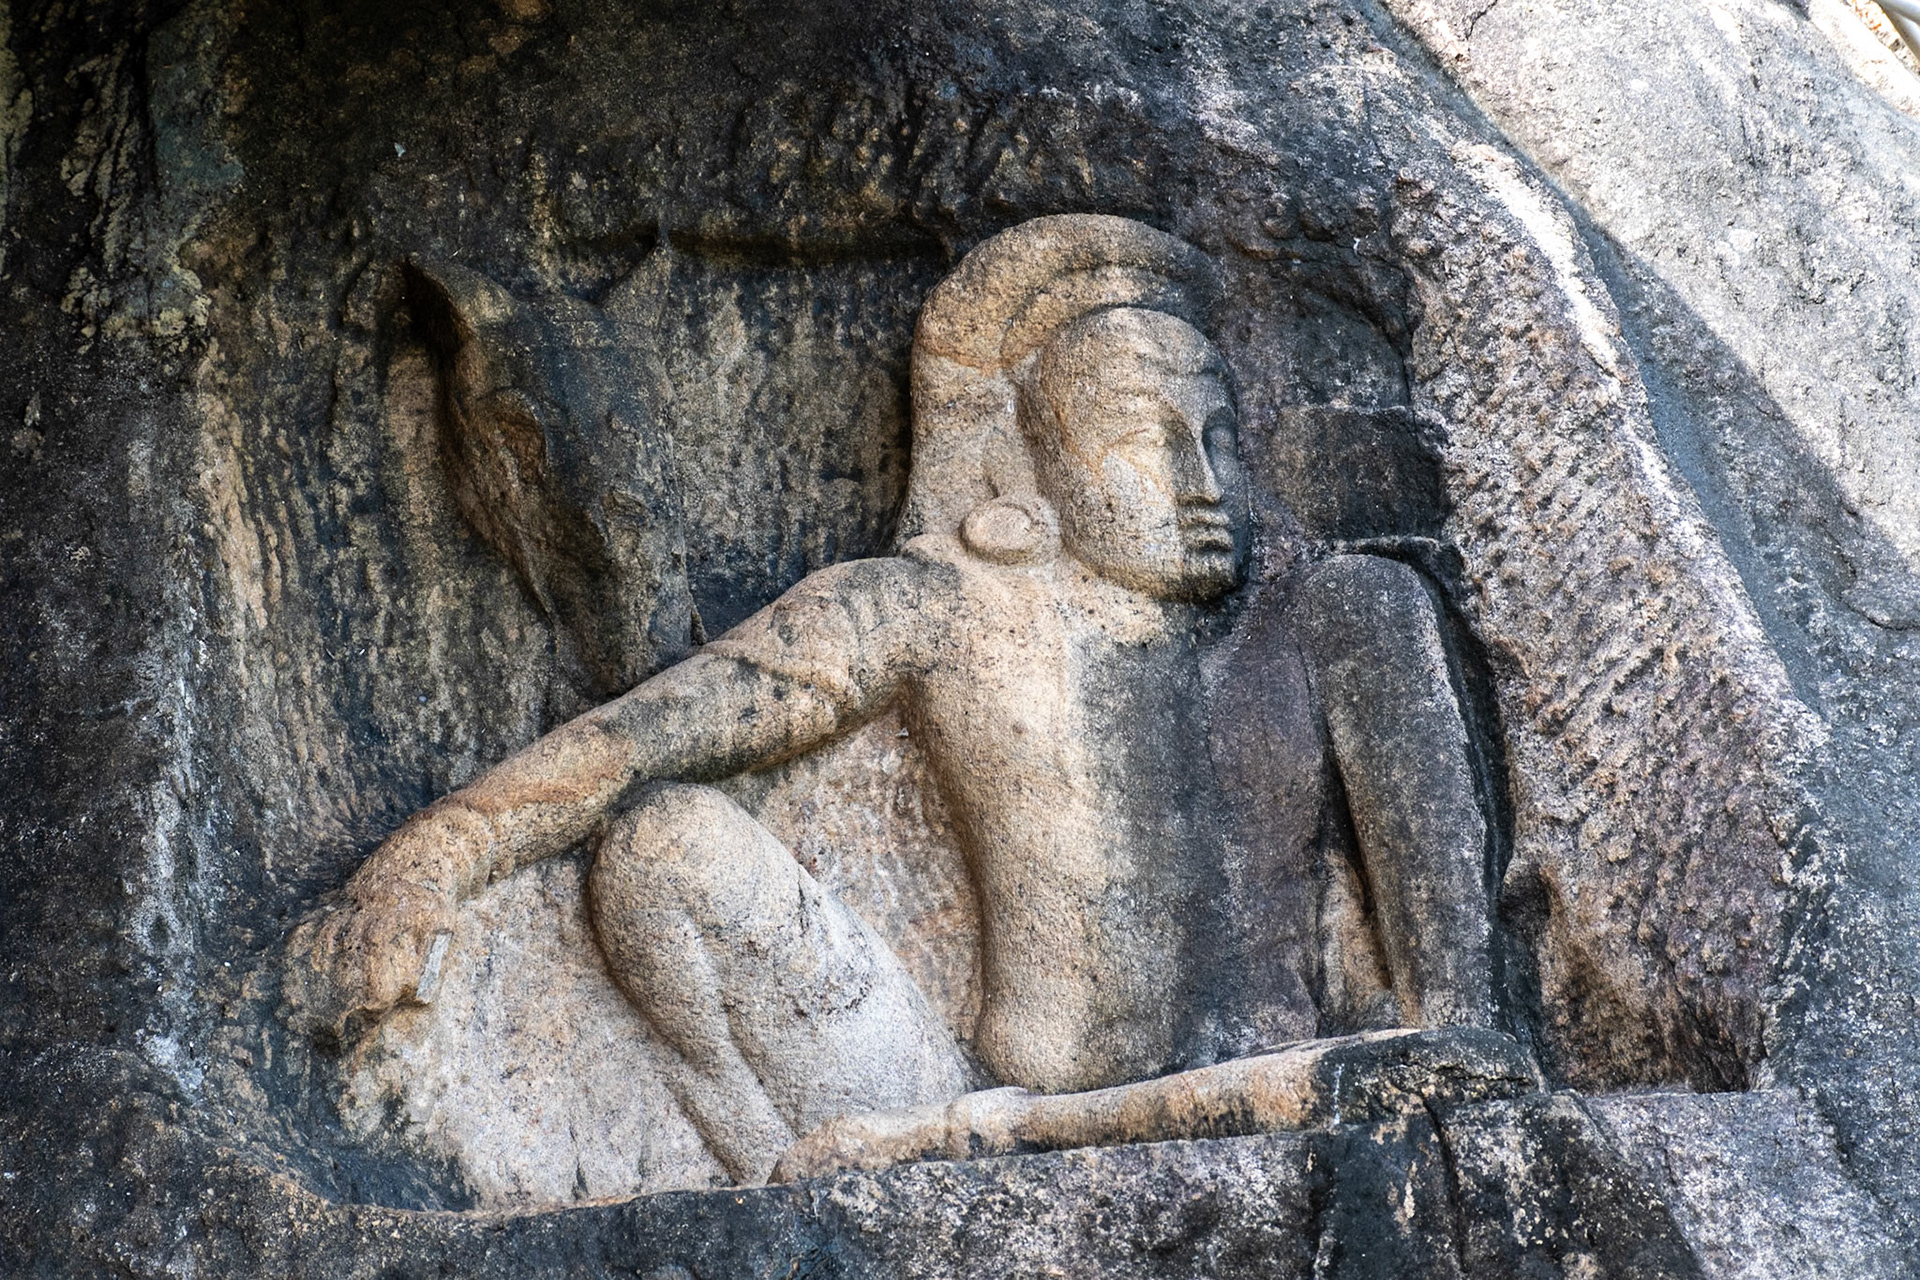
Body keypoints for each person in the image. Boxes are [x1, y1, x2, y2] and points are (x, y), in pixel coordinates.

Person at [290, 217, 1507, 1186]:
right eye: (1145, 433)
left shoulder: (1346, 612)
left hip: (1273, 1091)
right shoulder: (940, 604)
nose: (1203, 481)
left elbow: (1458, 1038)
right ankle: (789, 1187)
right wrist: (432, 854)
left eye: (1221, 435)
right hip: (971, 1092)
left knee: (1394, 1076)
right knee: (664, 845)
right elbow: (642, 736)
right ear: (1030, 457)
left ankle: (912, 1166)